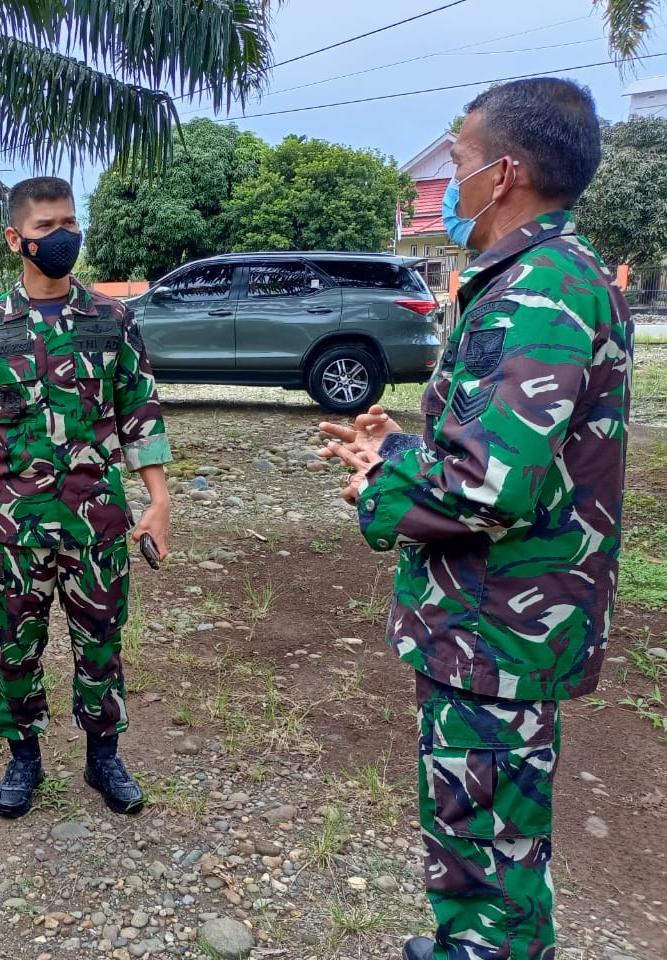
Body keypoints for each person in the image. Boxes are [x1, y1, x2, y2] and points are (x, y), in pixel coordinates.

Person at [321, 78, 632, 960]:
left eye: (456, 163)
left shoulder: (537, 293)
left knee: (484, 847)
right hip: (502, 623)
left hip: (498, 630)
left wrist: (383, 486)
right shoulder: (547, 277)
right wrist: (402, 450)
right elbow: (507, 454)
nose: (447, 185)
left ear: (505, 173)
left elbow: (487, 491)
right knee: (495, 841)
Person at [0, 176, 172, 819]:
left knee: (101, 641)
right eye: (46, 227)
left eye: (69, 222)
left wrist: (157, 501)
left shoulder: (111, 318)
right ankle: (24, 758)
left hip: (96, 521)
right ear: (16, 238)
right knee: (16, 644)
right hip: (14, 529)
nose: (62, 236)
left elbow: (140, 413)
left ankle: (104, 756)